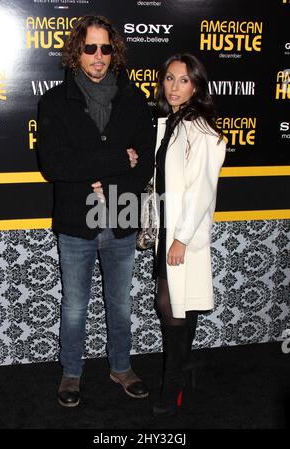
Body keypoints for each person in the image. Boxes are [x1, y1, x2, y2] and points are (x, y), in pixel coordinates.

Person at [37, 15, 155, 407]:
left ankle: (120, 367)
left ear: (114, 52)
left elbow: (145, 163)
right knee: (74, 305)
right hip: (76, 216)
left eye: (106, 48)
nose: (99, 56)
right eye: (90, 48)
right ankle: (71, 374)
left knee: (120, 302)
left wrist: (105, 171)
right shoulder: (55, 101)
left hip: (122, 212)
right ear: (77, 52)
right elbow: (54, 165)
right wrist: (115, 160)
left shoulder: (134, 99)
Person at [152, 53, 226, 416]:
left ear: (196, 84)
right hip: (168, 226)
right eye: (169, 78)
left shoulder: (203, 129)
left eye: (183, 80)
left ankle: (173, 386)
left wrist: (181, 238)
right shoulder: (171, 122)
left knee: (172, 306)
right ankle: (181, 372)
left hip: (184, 232)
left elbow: (202, 191)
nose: (174, 86)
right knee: (174, 303)